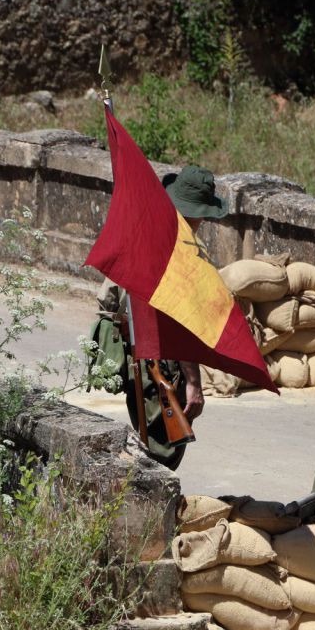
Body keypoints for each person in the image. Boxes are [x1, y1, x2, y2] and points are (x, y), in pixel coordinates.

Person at [93, 165, 228, 470]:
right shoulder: (179, 250)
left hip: (136, 350)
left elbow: (111, 298)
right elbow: (177, 321)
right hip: (161, 358)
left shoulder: (146, 233)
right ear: (197, 214)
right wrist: (194, 383)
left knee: (152, 443)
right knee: (162, 452)